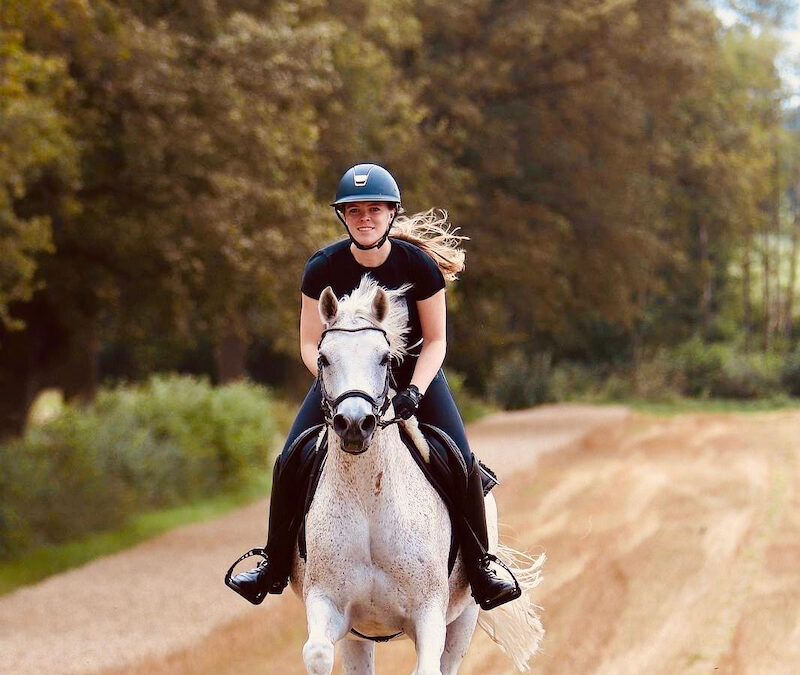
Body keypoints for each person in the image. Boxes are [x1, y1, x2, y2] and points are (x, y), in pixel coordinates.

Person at [227, 163, 519, 610]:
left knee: (462, 460)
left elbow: (437, 341)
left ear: (391, 214)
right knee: (289, 459)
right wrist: (335, 385)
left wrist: (415, 393)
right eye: (355, 210)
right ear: (343, 217)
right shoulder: (322, 266)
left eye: (375, 210)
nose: (365, 218)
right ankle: (273, 561)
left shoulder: (418, 265)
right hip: (346, 382)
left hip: (413, 376)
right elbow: (309, 343)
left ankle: (481, 567)